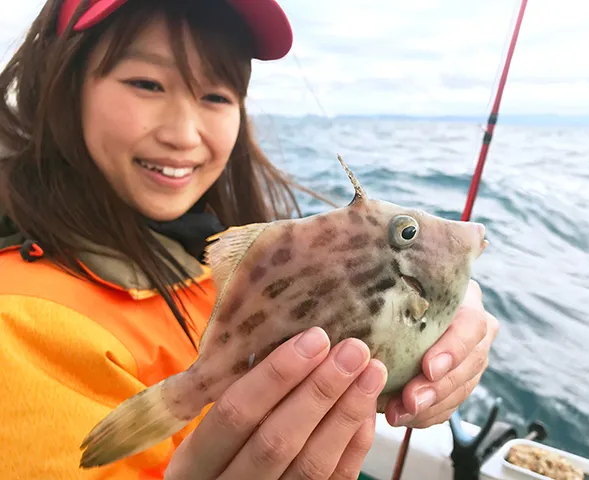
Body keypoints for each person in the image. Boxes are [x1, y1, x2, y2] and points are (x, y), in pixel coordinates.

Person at [0, 0, 500, 478]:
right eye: (146, 83)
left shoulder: (196, 243)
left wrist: (444, 325)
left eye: (216, 95)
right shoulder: (18, 324)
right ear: (63, 84)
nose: (184, 133)